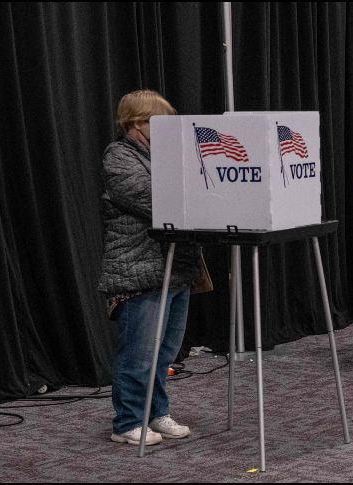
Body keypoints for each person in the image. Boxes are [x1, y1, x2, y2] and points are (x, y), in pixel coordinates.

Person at [98, 89, 199, 445]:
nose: (170, 128)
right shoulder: (119, 157)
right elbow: (155, 199)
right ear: (137, 123)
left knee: (165, 353)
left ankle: (156, 414)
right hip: (138, 271)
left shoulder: (166, 157)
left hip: (176, 270)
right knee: (138, 354)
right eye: (162, 121)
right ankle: (126, 422)